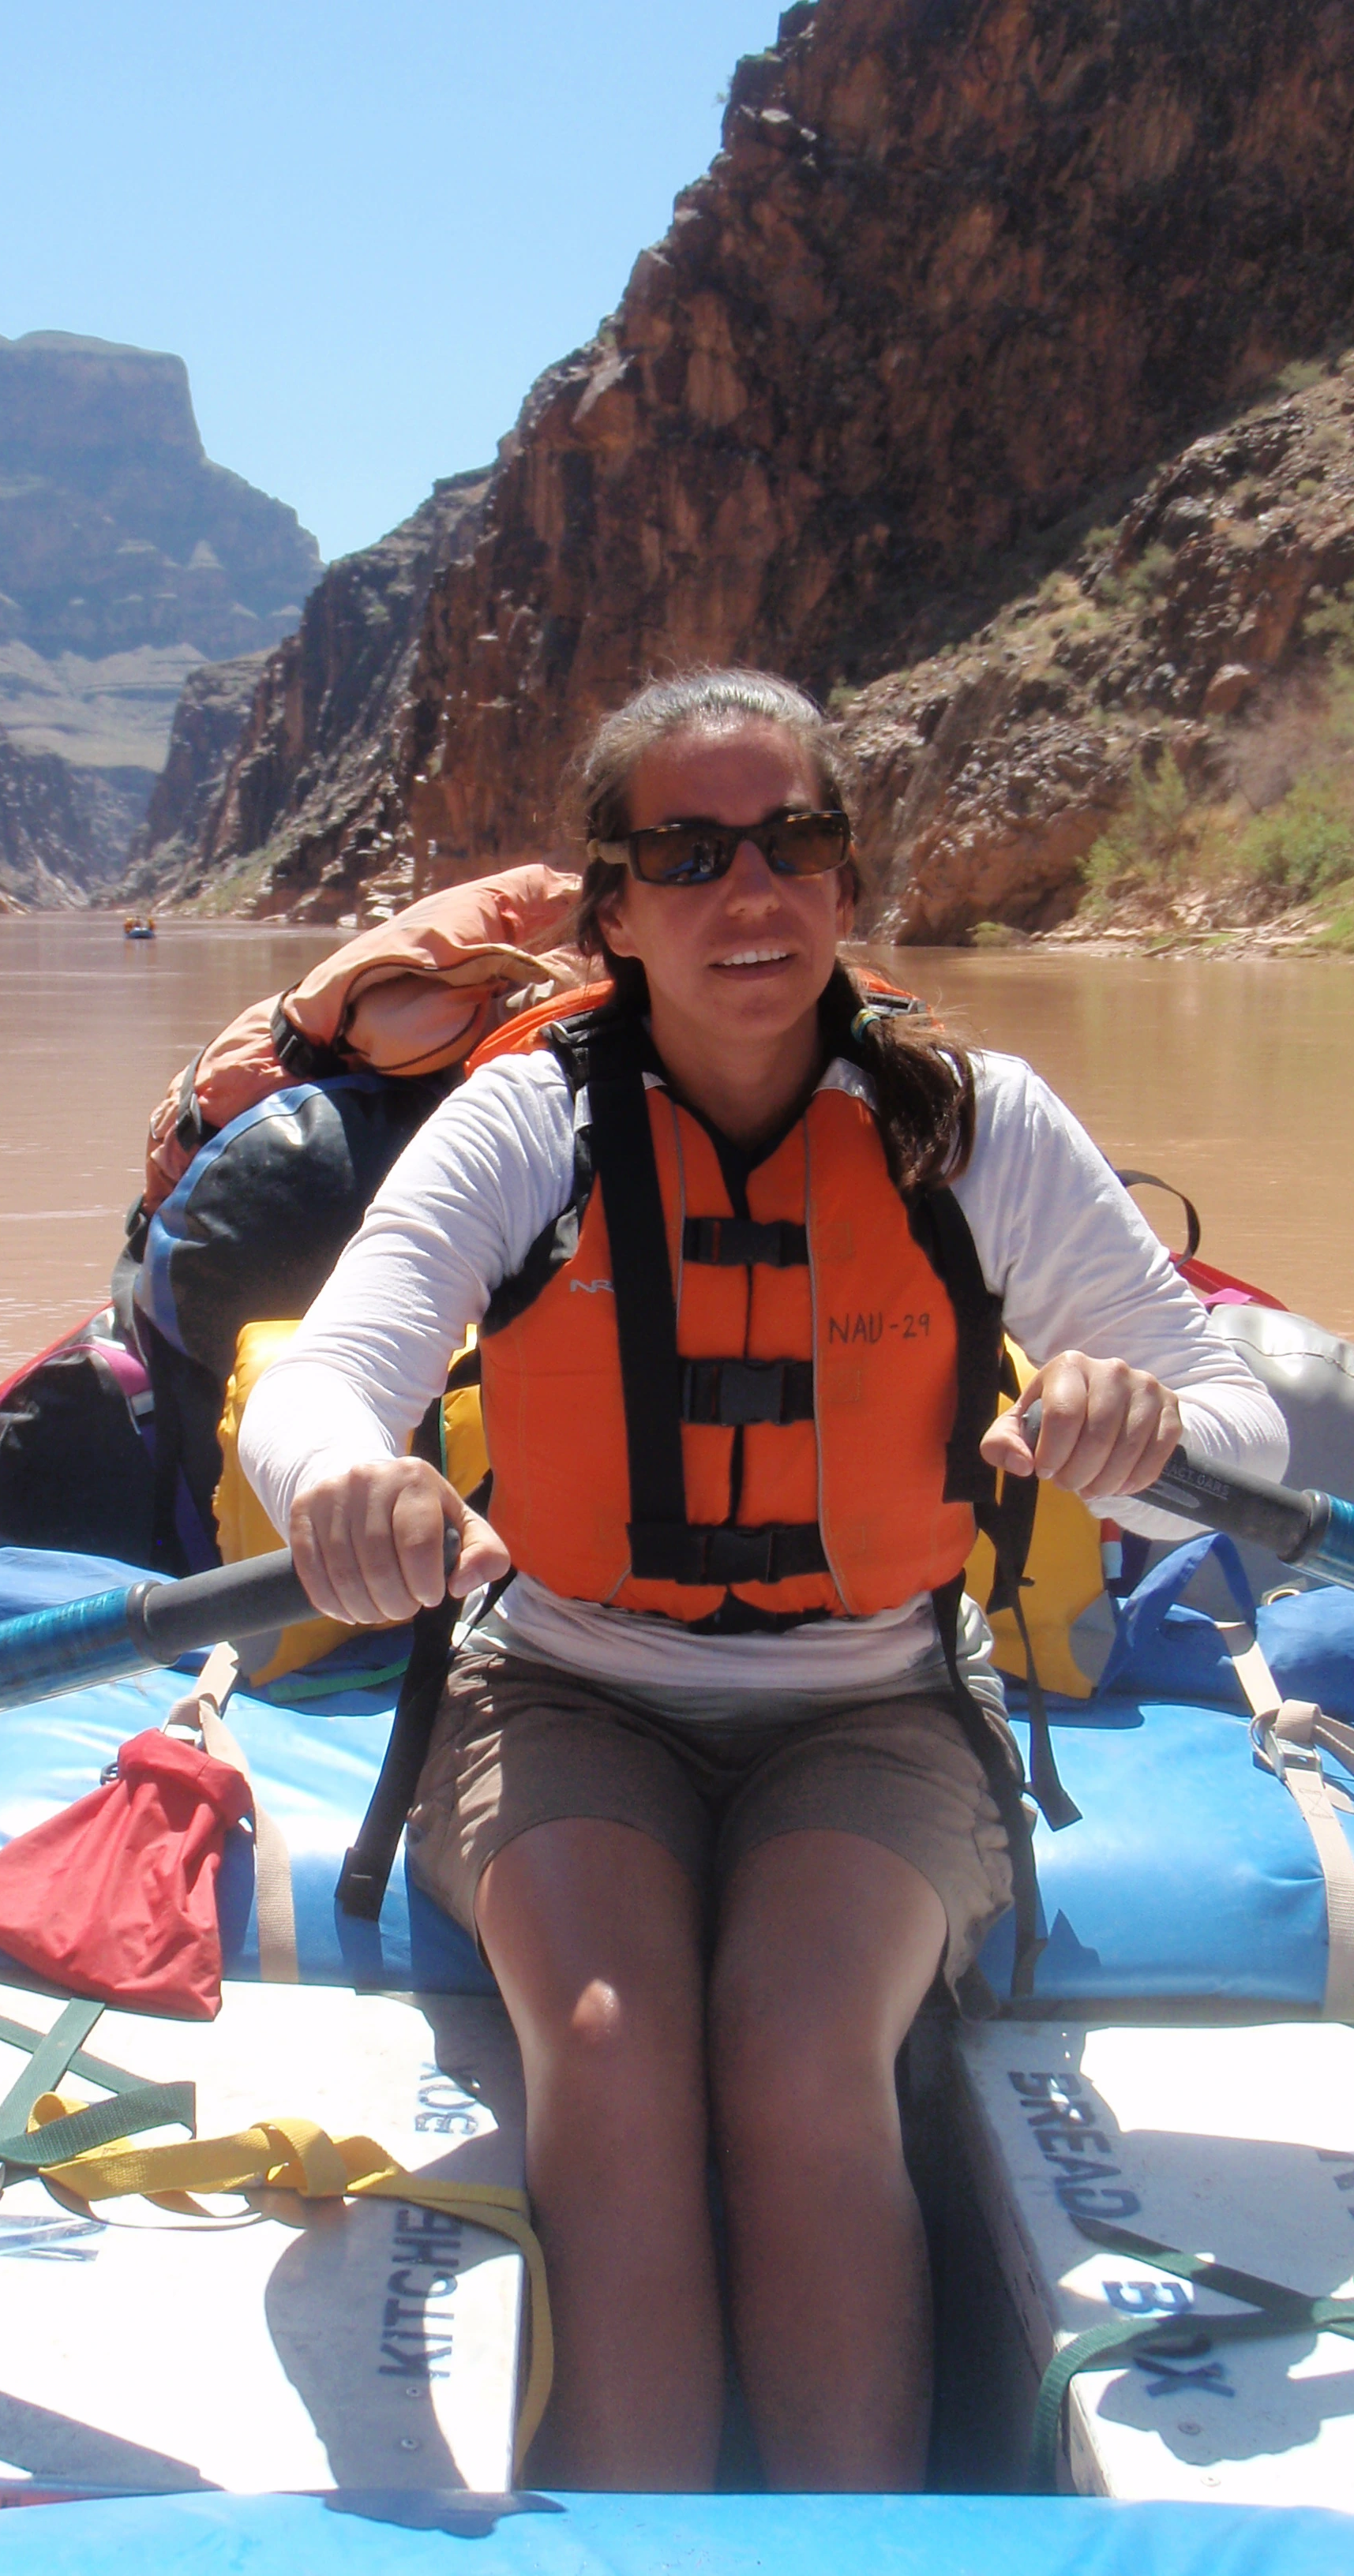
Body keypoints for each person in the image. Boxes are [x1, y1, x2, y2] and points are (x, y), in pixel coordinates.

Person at [238, 668, 1286, 2493]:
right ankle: (636, 2534)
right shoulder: (521, 1125)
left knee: (801, 2059)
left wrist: (1155, 1434)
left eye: (797, 842)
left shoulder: (980, 1125)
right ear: (613, 910)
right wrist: (338, 1479)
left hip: (877, 1708)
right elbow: (337, 1372)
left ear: (846, 882)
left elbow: (1238, 1435)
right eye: (692, 851)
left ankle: (852, 2537)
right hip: (563, 1695)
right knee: (613, 2056)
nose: (755, 892)